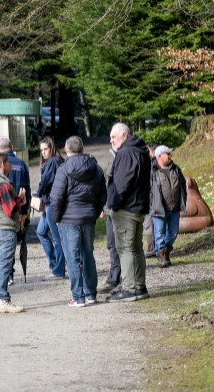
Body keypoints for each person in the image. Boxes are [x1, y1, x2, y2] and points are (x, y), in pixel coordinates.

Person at [50, 136, 107, 308]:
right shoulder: (95, 167)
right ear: (82, 149)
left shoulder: (64, 168)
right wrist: (95, 211)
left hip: (69, 218)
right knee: (88, 254)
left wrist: (56, 218)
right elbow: (102, 193)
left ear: (67, 150)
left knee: (72, 257)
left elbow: (57, 197)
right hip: (88, 217)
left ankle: (78, 296)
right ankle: (91, 294)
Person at [106, 123, 151, 302]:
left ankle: (130, 288)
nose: (111, 141)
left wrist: (113, 204)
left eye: (113, 137)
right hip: (138, 207)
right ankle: (139, 286)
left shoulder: (126, 153)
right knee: (136, 248)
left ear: (124, 136)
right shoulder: (140, 150)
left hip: (127, 208)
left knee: (126, 249)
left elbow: (121, 185)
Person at [0, 137, 31, 284]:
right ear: (11, 146)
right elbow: (27, 189)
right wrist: (24, 209)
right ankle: (3, 288)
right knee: (9, 249)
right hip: (12, 215)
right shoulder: (22, 164)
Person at [0, 153, 26, 313]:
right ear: (2, 164)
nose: (10, 166)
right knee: (5, 265)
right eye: (8, 163)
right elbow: (10, 209)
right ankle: (3, 300)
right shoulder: (2, 184)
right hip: (6, 228)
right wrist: (20, 199)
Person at [150, 145, 187, 268]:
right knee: (159, 233)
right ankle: (161, 255)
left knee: (173, 233)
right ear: (160, 156)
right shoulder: (152, 171)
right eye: (168, 154)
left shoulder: (176, 169)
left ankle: (164, 250)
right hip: (159, 208)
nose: (170, 156)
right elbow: (147, 190)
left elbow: (182, 185)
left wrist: (183, 201)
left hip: (174, 208)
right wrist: (151, 204)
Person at [35, 137, 66, 279]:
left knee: (58, 238)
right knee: (41, 232)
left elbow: (46, 181)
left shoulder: (53, 161)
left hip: (52, 203)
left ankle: (58, 269)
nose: (43, 153)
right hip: (49, 203)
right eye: (41, 150)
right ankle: (55, 264)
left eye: (45, 149)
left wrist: (37, 194)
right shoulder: (55, 161)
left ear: (51, 148)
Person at [99, 147, 121, 294]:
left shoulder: (127, 158)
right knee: (111, 244)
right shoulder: (112, 160)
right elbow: (108, 186)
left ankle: (122, 280)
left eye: (114, 138)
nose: (111, 141)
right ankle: (114, 278)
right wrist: (104, 206)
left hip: (122, 209)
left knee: (123, 247)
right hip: (111, 208)